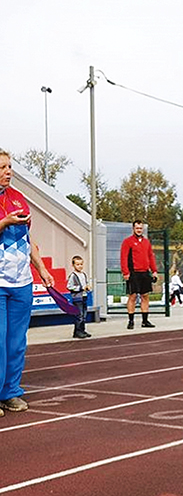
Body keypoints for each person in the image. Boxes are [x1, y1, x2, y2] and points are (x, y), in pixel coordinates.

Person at [0, 148, 55, 416]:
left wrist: (42, 268)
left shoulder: (19, 199)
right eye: (2, 168)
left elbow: (27, 239)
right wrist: (3, 223)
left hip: (21, 282)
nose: (7, 172)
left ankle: (10, 393)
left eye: (9, 167)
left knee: (16, 342)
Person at [120, 220, 158, 330]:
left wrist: (154, 270)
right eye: (137, 228)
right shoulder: (128, 242)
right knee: (132, 296)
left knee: (145, 296)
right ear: (133, 229)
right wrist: (125, 272)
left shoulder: (146, 242)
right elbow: (124, 257)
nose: (139, 230)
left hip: (145, 272)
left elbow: (151, 256)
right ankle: (131, 321)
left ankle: (145, 320)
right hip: (133, 273)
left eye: (141, 228)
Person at [67, 255, 92, 339]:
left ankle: (82, 330)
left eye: (81, 264)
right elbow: (69, 286)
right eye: (77, 264)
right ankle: (77, 331)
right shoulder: (73, 276)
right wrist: (80, 288)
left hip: (84, 297)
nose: (80, 266)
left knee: (84, 315)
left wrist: (87, 287)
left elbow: (85, 283)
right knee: (79, 315)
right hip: (77, 298)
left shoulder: (83, 274)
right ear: (73, 265)